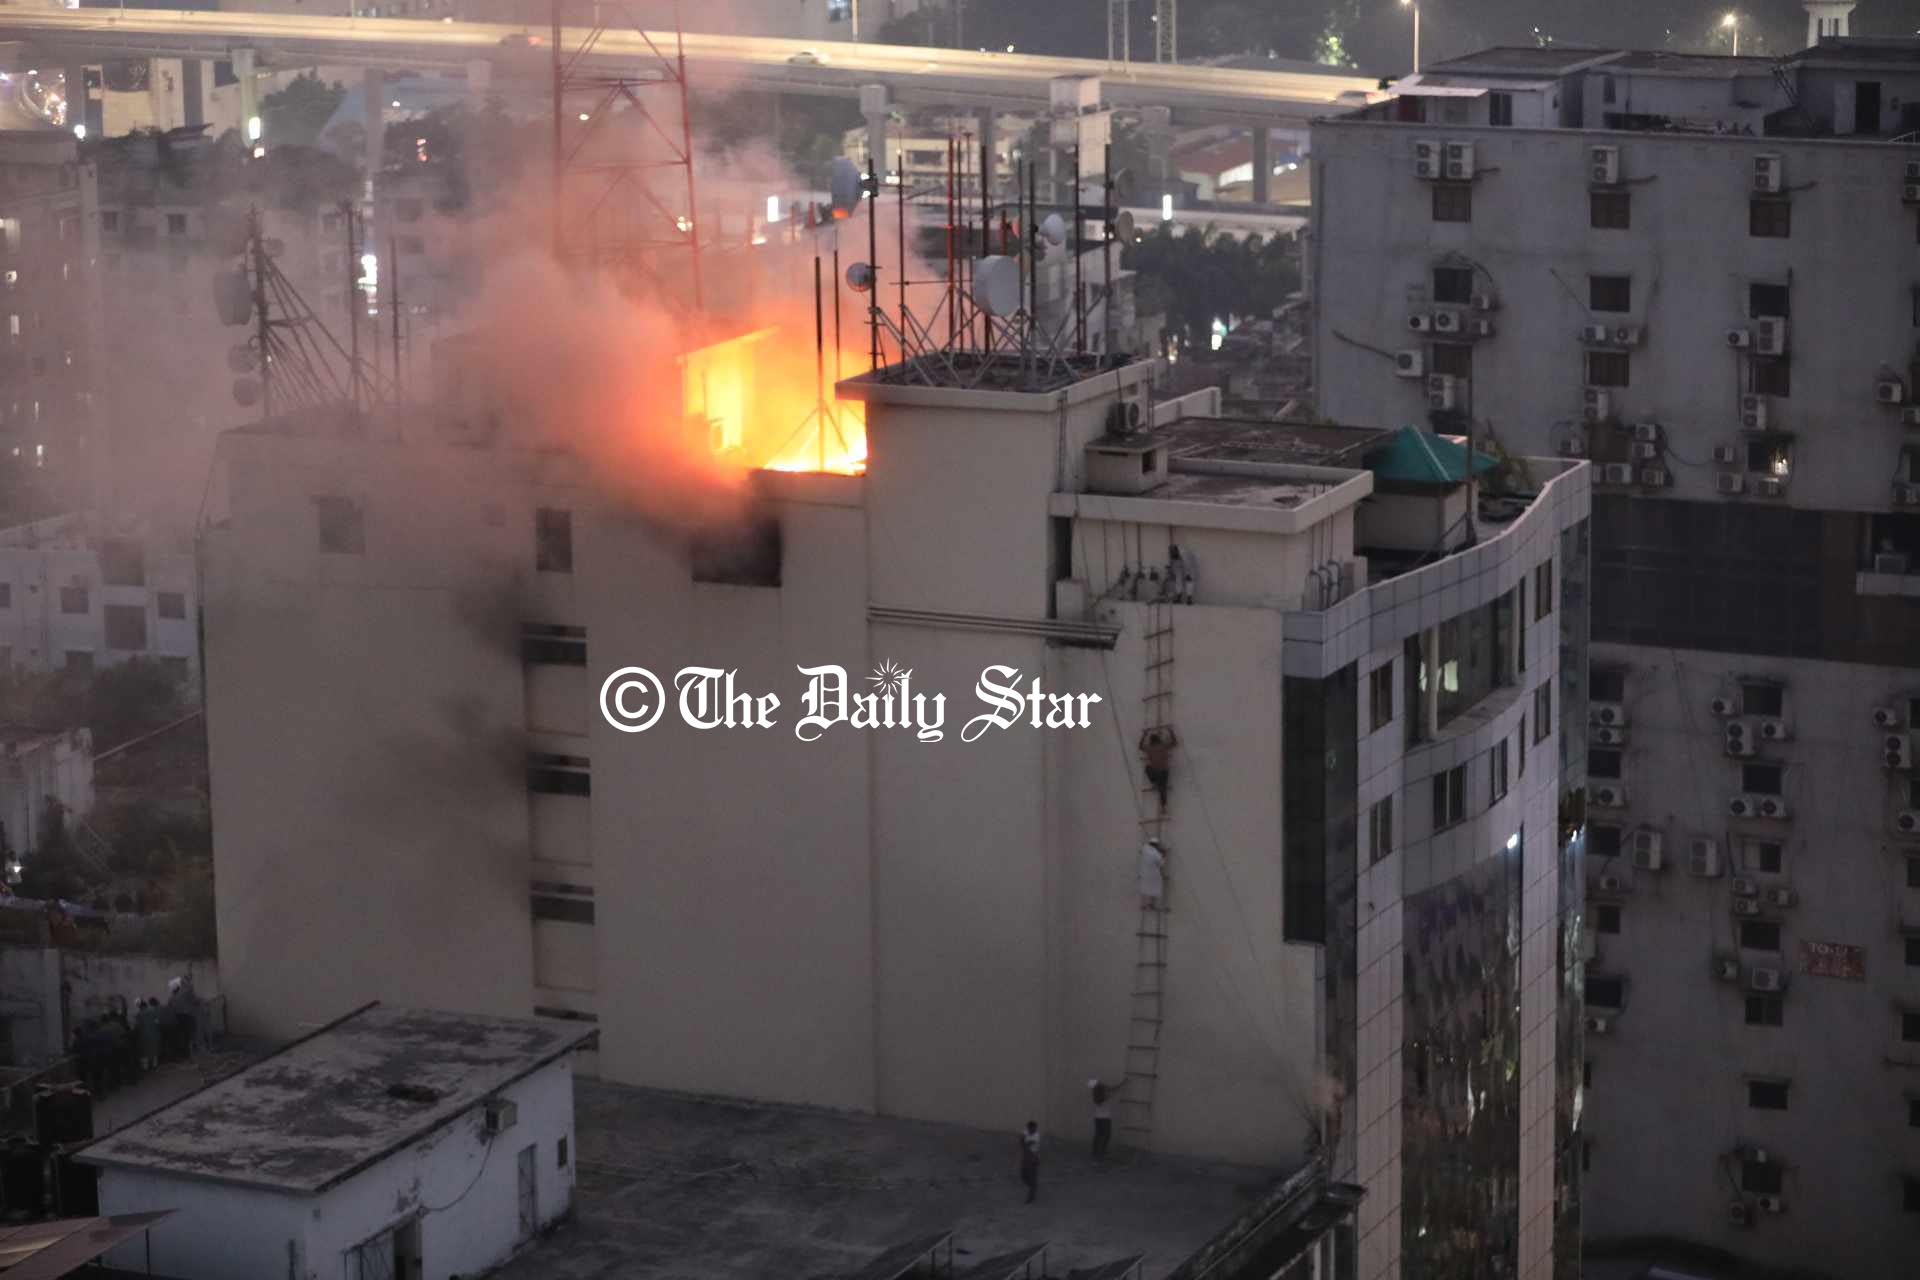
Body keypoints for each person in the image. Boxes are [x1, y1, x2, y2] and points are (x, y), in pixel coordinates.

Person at [1139, 727, 1178, 813]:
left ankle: (1154, 783)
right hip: (1163, 771)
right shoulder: (1163, 746)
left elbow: (1140, 747)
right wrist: (1171, 731)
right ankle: (1163, 806)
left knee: (1148, 769)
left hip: (1156, 771)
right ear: (1158, 740)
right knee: (1162, 788)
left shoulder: (1150, 748)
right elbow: (1175, 743)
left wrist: (1144, 735)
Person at [1088, 1077, 1121, 1161]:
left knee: (1098, 1135)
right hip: (1105, 1119)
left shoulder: (1096, 1096)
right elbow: (1113, 1089)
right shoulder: (1106, 1097)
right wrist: (1123, 1083)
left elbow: (1092, 1082)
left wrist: (1100, 1084)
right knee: (1106, 1135)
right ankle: (1102, 1151)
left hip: (1098, 1118)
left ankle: (1095, 1151)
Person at [1139, 838, 1168, 910]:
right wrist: (1164, 854)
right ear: (1156, 845)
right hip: (1153, 874)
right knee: (1154, 889)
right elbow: (1161, 864)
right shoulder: (1156, 854)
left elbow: (1142, 851)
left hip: (1144, 873)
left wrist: (1160, 850)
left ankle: (1145, 904)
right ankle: (1151, 905)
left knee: (1146, 888)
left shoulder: (1145, 848)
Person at [136, 997, 161, 1073]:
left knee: (145, 1053)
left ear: (139, 1006)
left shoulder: (139, 1014)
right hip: (154, 1035)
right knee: (154, 1052)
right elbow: (157, 1022)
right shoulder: (153, 1011)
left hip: (144, 1036)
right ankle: (155, 1067)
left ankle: (146, 1068)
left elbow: (138, 1026)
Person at [1018, 1121, 1041, 1204]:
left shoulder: (1036, 1136)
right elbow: (1021, 1141)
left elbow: (1025, 1144)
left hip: (1032, 1157)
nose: (1030, 1130)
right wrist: (1024, 1143)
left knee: (1032, 1177)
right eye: (1029, 1128)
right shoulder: (1026, 1131)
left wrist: (1024, 1143)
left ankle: (1031, 1196)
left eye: (1032, 1129)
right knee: (1023, 1176)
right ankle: (1033, 1187)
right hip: (1026, 1157)